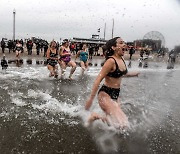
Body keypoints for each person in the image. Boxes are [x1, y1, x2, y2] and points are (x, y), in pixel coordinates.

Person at [85, 37, 139, 129]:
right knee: (120, 125)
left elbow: (120, 74)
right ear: (113, 47)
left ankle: (100, 117)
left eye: (124, 42)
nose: (124, 44)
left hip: (116, 94)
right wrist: (91, 98)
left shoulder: (121, 60)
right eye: (121, 43)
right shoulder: (110, 61)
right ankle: (95, 116)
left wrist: (134, 74)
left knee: (123, 124)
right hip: (105, 94)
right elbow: (98, 79)